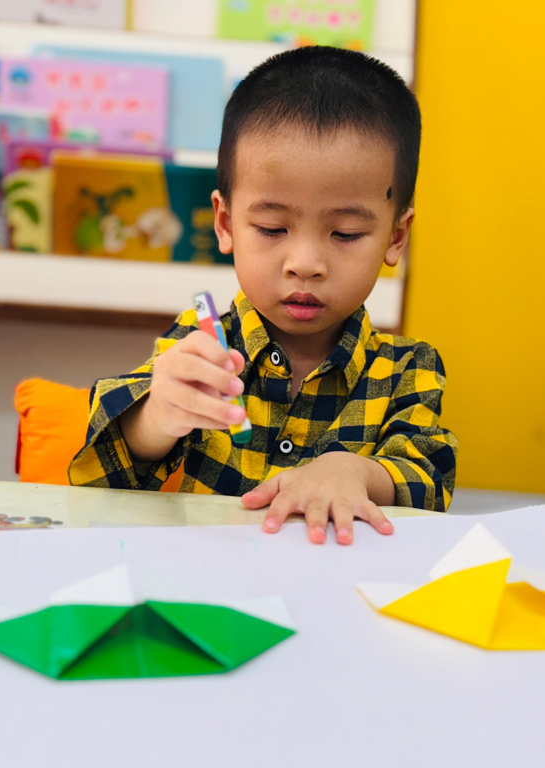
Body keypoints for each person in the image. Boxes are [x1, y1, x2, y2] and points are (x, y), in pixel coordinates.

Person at [70, 46, 457, 544]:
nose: (305, 264)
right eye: (273, 228)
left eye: (345, 234)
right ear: (226, 223)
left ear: (395, 237)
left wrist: (354, 471)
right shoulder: (203, 344)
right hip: (209, 581)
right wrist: (157, 418)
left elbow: (429, 482)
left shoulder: (407, 370)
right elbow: (99, 482)